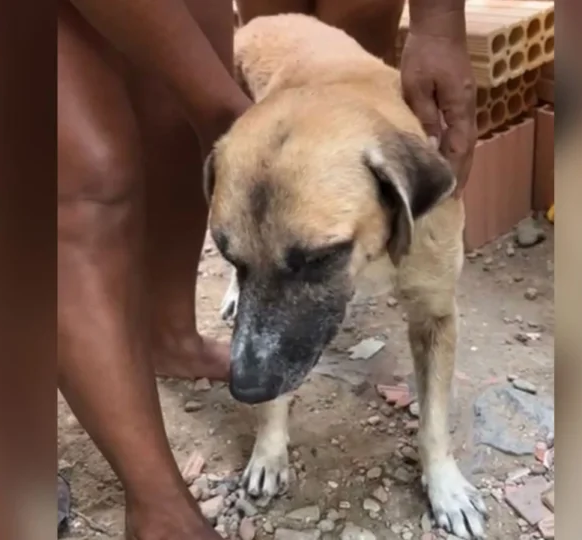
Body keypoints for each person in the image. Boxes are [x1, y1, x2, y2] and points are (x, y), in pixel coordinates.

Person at [56, 0, 476, 538]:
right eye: (238, 260)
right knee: (94, 172)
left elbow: (437, 321)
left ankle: (436, 457)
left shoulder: (417, 191)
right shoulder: (247, 80)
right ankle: (215, 453)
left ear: (404, 198)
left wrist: (438, 27)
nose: (249, 361)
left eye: (315, 260)